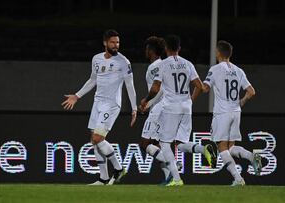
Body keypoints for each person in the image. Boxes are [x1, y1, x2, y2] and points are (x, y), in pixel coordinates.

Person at [62, 29, 137, 185]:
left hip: (111, 104)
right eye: (112, 42)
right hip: (98, 103)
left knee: (98, 138)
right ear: (105, 43)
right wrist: (77, 96)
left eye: (117, 42)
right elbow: (92, 80)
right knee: (94, 141)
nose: (116, 45)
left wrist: (134, 108)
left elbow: (130, 86)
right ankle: (103, 178)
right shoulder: (96, 59)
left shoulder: (124, 62)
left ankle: (118, 168)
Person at [140, 35, 206, 186]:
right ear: (179, 48)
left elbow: (156, 88)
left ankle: (176, 176)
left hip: (169, 107)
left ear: (166, 49)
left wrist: (145, 101)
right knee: (179, 143)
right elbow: (200, 86)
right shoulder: (187, 63)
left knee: (163, 144)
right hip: (186, 107)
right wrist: (190, 100)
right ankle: (202, 150)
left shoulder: (162, 65)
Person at [201, 40, 262, 186]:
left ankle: (238, 178)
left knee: (221, 147)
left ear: (219, 53)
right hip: (236, 112)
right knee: (230, 147)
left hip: (222, 113)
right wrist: (241, 102)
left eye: (216, 51)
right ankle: (251, 156)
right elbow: (251, 92)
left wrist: (196, 81)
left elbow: (205, 88)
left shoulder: (215, 69)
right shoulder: (238, 70)